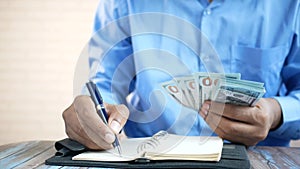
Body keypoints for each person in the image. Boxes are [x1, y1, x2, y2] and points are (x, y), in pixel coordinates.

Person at [63, 0, 300, 150]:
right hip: (146, 157)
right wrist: (94, 113)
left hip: (259, 158)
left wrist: (276, 114)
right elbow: (105, 81)